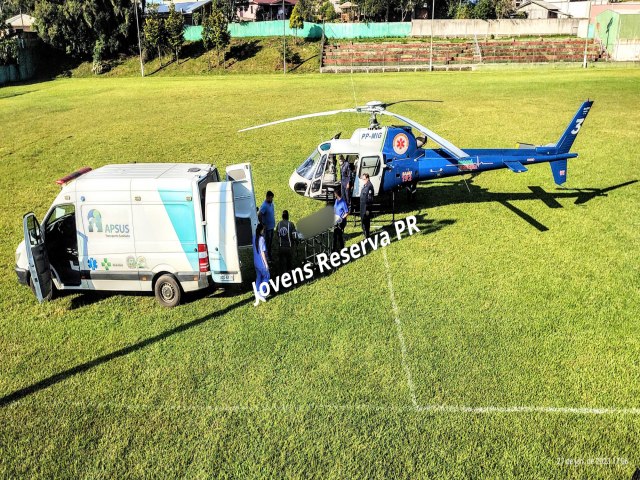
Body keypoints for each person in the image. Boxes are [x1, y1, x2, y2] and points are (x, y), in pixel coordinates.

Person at [253, 224, 270, 301]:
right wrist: (266, 264)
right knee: (267, 276)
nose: (264, 231)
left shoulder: (253, 237)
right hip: (261, 263)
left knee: (259, 277)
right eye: (263, 229)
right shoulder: (262, 239)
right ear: (261, 230)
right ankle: (261, 293)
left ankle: (257, 292)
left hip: (256, 262)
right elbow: (263, 253)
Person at [258, 191, 275, 261]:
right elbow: (259, 215)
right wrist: (262, 224)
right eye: (271, 198)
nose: (272, 200)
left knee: (270, 242)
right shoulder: (264, 206)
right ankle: (267, 258)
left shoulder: (271, 203)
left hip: (271, 227)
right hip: (267, 229)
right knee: (267, 243)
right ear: (267, 197)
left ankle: (269, 255)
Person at [360, 173, 374, 238]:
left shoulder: (369, 186)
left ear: (367, 178)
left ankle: (367, 234)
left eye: (364, 179)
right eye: (363, 179)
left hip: (366, 207)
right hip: (362, 206)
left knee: (366, 221)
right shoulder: (365, 185)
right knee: (363, 220)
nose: (363, 180)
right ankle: (364, 232)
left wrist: (368, 209)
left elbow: (370, 199)